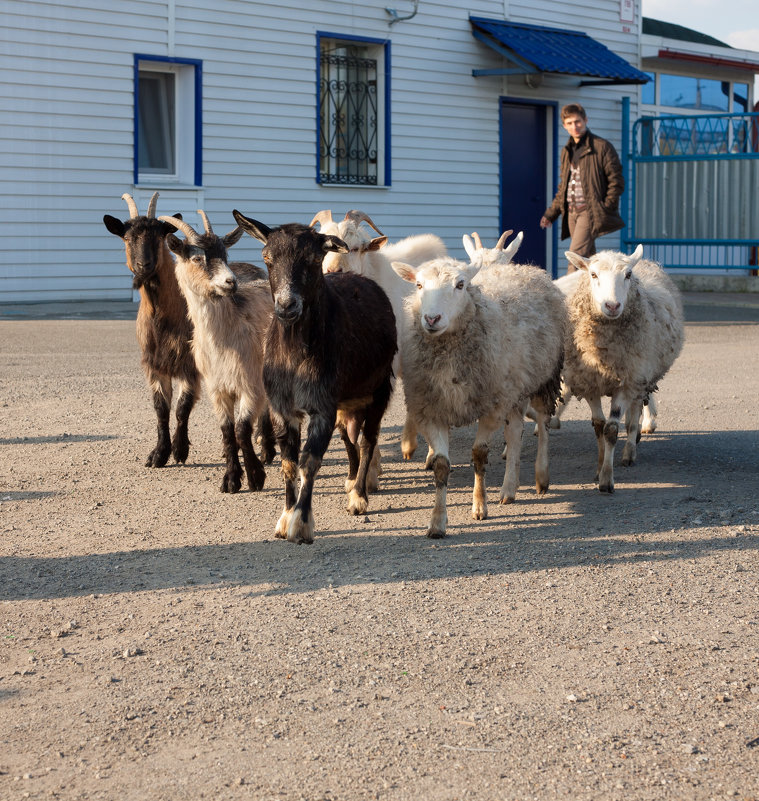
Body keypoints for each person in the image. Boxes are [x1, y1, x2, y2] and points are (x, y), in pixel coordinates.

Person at [540, 103, 625, 271]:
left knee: (576, 257)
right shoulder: (567, 151)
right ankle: (592, 294)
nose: (575, 126)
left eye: (578, 121)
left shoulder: (601, 147)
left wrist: (606, 206)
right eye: (570, 123)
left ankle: (567, 296)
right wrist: (551, 213)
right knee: (588, 259)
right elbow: (564, 186)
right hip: (571, 213)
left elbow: (616, 180)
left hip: (590, 211)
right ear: (564, 126)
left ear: (585, 120)